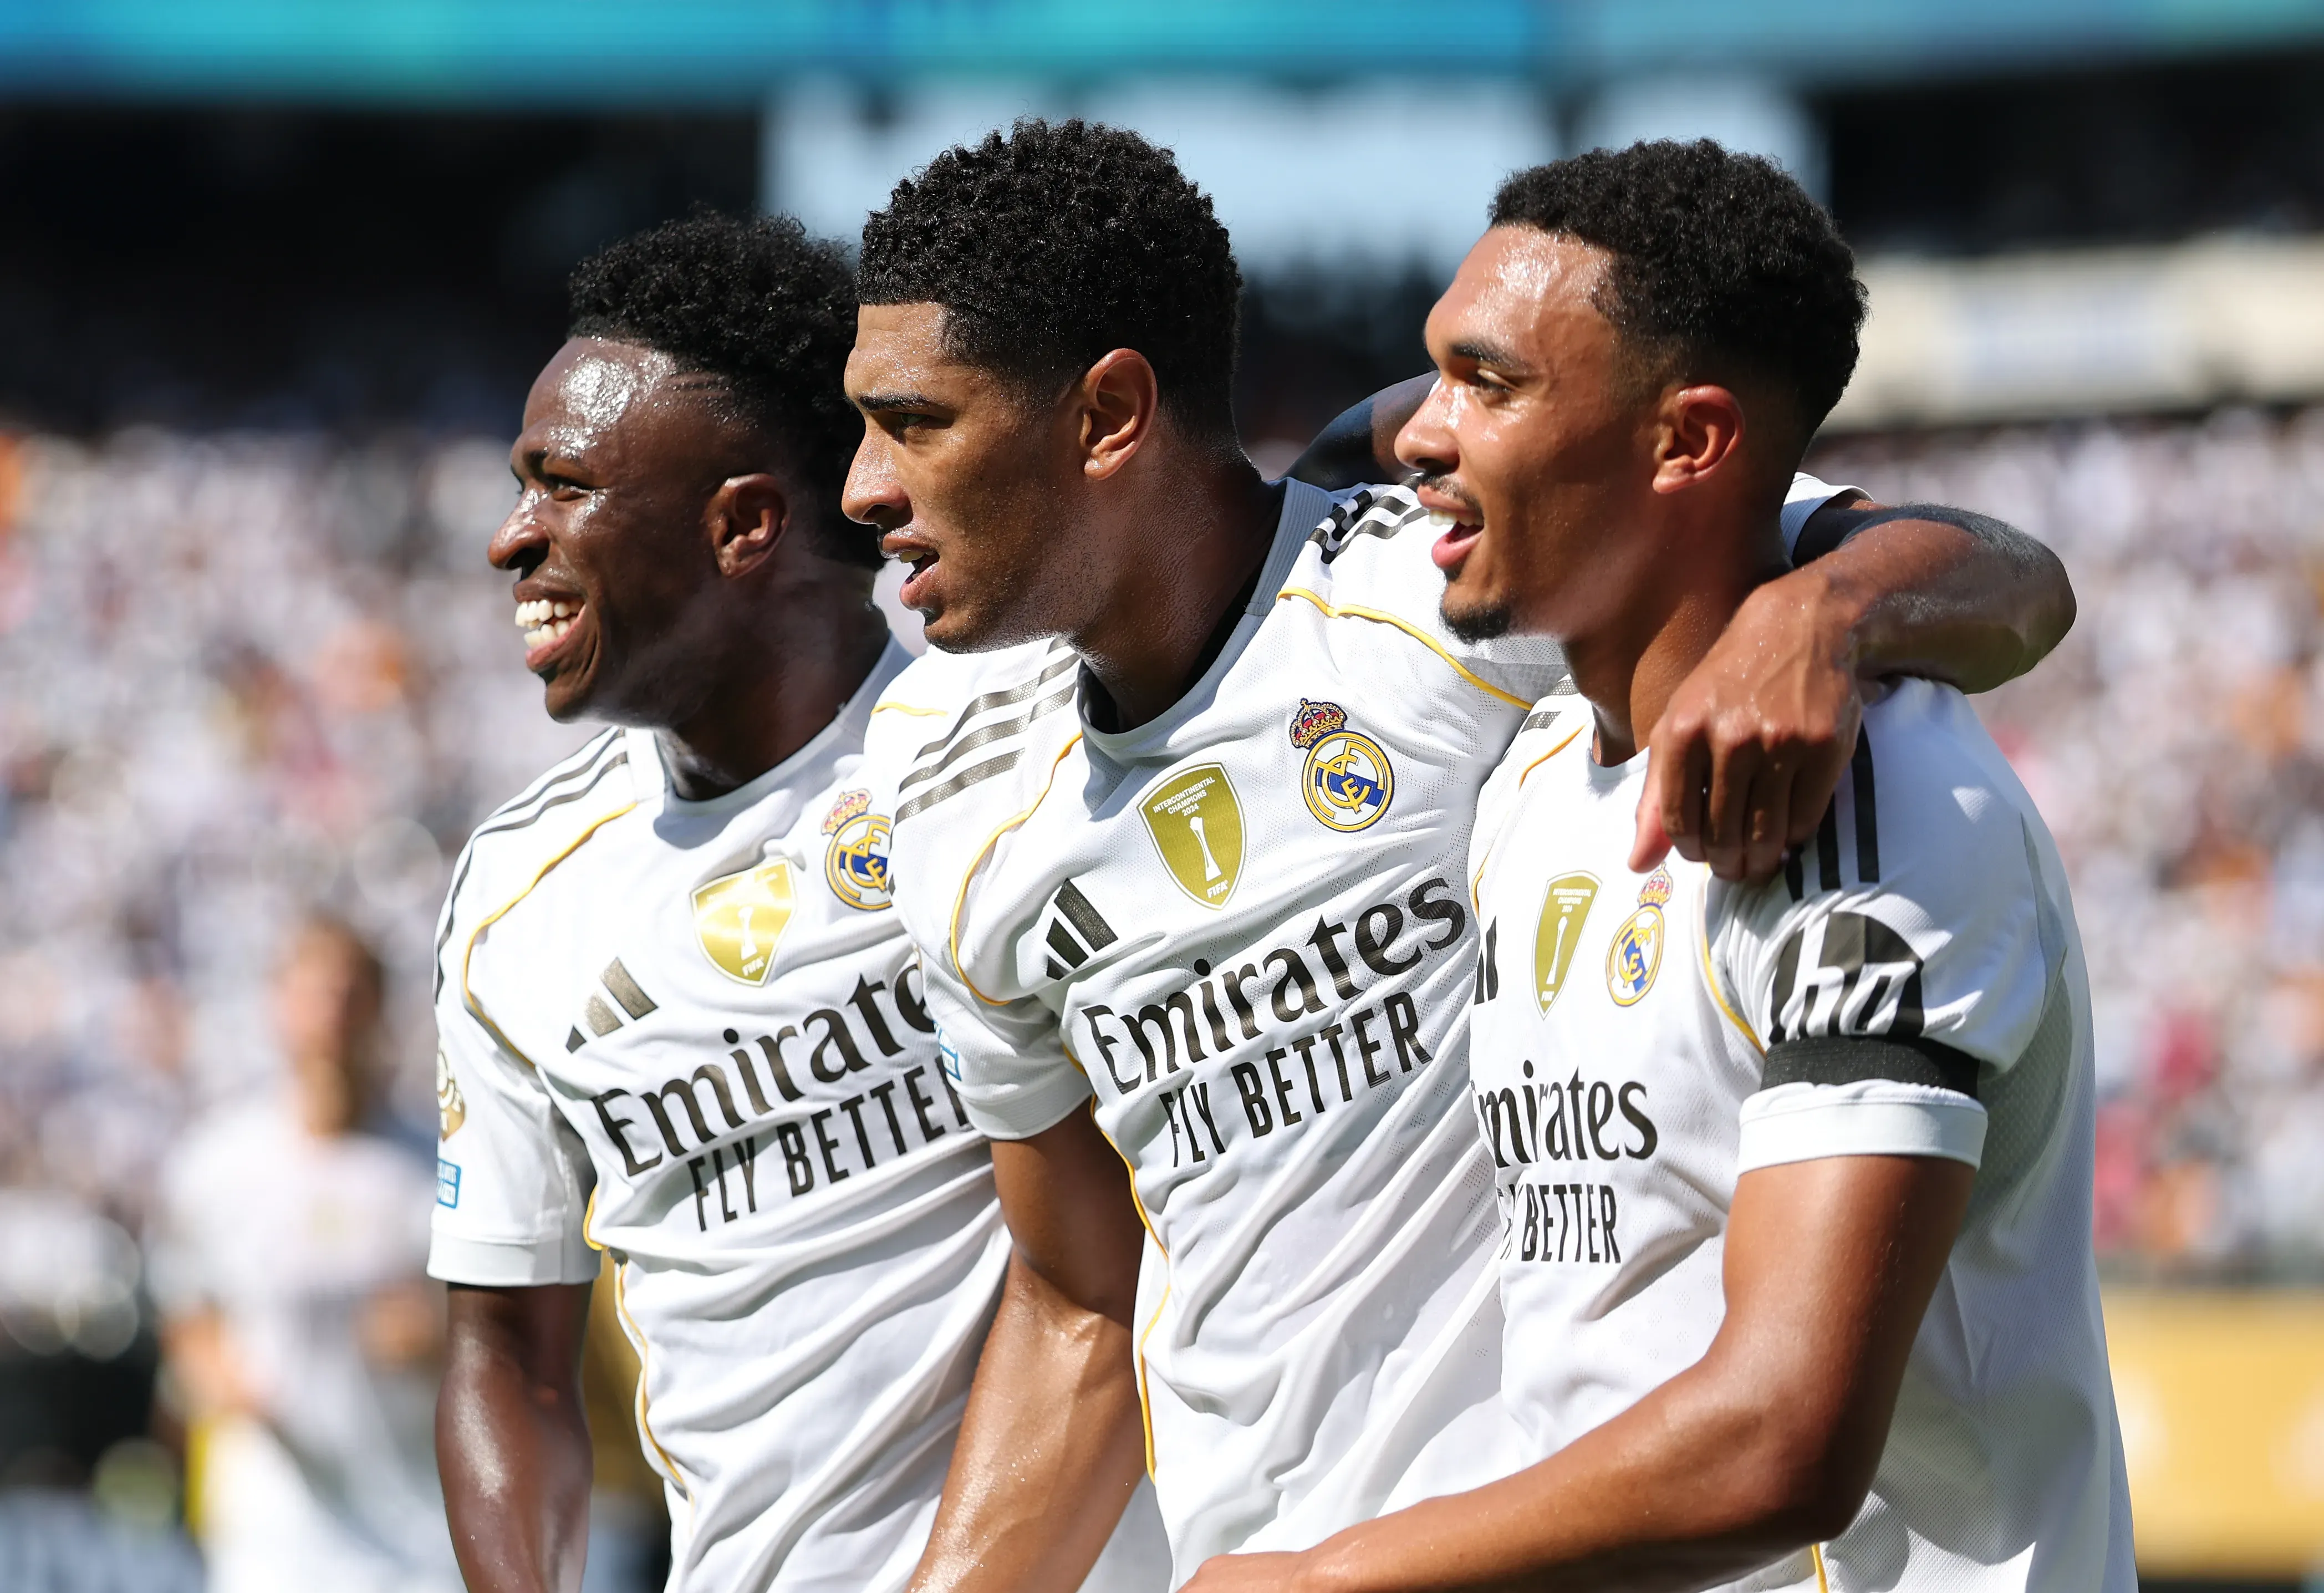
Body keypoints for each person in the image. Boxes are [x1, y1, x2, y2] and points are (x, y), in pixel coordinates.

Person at [842, 118, 2078, 1591]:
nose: (861, 484)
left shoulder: (1462, 613)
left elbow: (1995, 574)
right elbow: (1077, 1301)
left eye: (914, 422)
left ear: (1110, 413)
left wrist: (1822, 615)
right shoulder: (947, 786)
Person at [1184, 141, 2131, 1592]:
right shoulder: (1541, 767)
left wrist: (1322, 1579)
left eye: (1486, 385)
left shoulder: (1868, 798)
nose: (1420, 438)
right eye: (1435, 375)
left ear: (1686, 443)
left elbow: (1782, 1444)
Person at [425, 213, 1167, 1593]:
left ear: (745, 524)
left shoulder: (1034, 752)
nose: (507, 538)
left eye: (561, 483)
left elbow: (1103, 1264)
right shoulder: (517, 893)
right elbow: (509, 1357)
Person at [154, 915, 457, 1593]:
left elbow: (499, 1335)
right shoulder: (216, 1164)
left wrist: (437, 1338)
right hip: (273, 1532)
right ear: (277, 1003)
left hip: (414, 1526)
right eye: (314, 992)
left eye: (351, 993)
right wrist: (218, 1379)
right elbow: (187, 1313)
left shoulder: (437, 1164)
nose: (331, 1015)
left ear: (379, 1008)